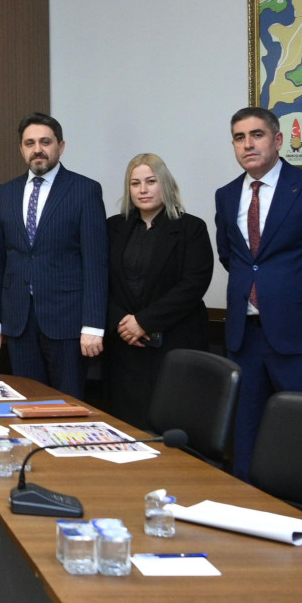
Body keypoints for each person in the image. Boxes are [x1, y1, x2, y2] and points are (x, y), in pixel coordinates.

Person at [215, 106, 302, 481]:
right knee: (245, 433)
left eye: (257, 135)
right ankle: (247, 503)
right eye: (239, 138)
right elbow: (231, 257)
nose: (248, 144)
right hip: (244, 336)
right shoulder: (226, 195)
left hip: (300, 334)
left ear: (278, 140)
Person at [0, 113, 108, 397]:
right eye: (30, 143)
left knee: (68, 404)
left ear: (60, 147)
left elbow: (96, 263)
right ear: (21, 149)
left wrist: (93, 325)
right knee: (26, 401)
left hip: (67, 323)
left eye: (45, 142)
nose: (37, 149)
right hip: (18, 322)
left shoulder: (84, 190)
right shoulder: (6, 193)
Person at [103, 153, 214, 429]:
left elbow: (193, 285)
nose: (143, 189)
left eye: (151, 181)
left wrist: (143, 322)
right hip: (125, 347)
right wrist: (121, 321)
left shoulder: (191, 228)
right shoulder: (112, 227)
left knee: (172, 429)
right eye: (135, 183)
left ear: (165, 183)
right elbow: (99, 281)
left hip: (175, 345)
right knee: (126, 427)